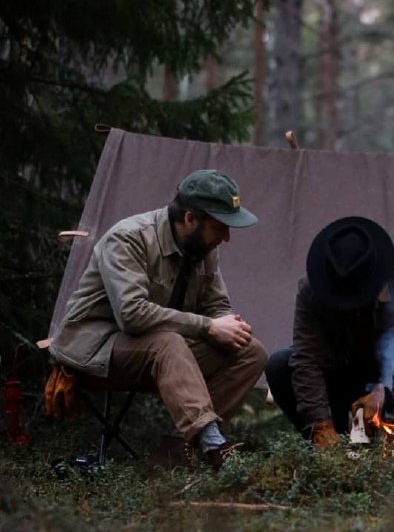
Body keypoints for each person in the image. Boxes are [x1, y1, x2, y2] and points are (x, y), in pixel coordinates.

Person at [49, 169, 267, 470]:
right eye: (221, 227)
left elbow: (216, 302)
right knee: (168, 342)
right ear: (191, 219)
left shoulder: (204, 246)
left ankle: (175, 454)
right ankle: (215, 446)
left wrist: (228, 324)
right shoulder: (129, 238)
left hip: (162, 354)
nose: (227, 237)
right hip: (95, 351)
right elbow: (132, 315)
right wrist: (208, 327)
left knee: (251, 351)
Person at [264, 216, 394, 447]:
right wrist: (319, 424)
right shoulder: (312, 288)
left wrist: (386, 391)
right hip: (342, 374)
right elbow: (307, 358)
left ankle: (392, 442)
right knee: (280, 365)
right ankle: (335, 443)